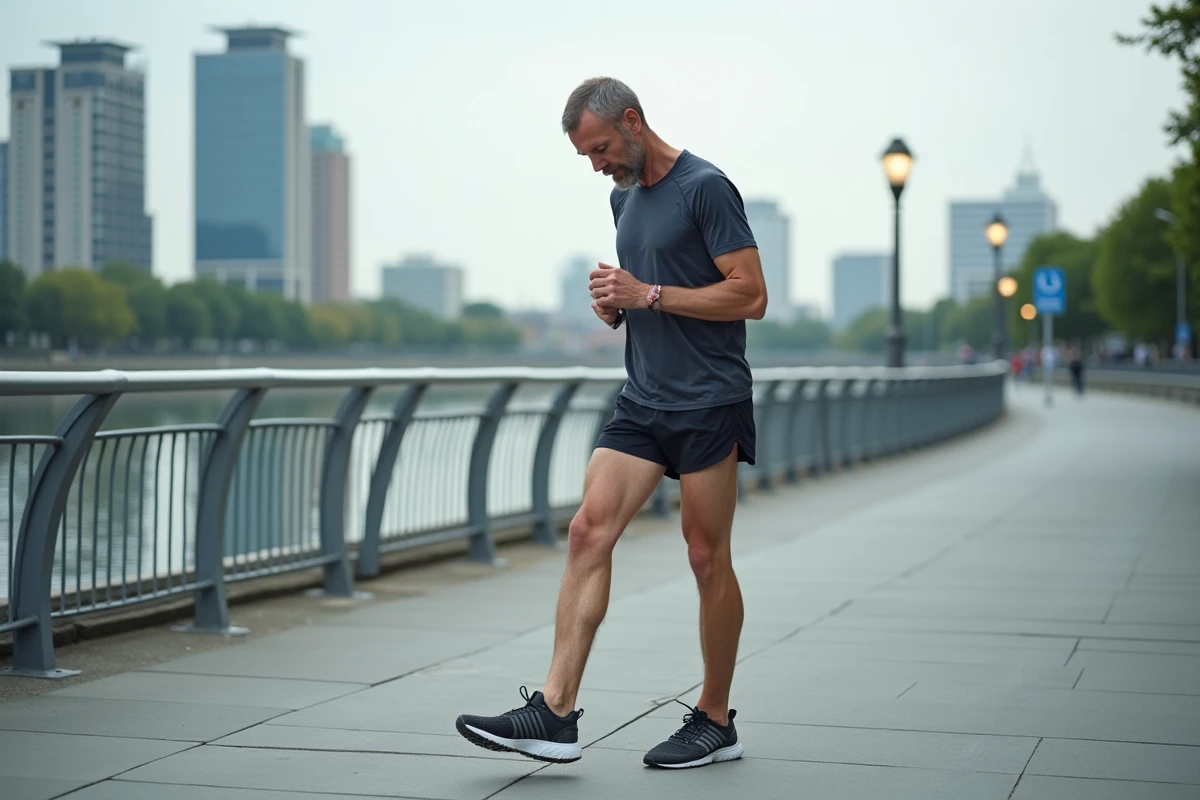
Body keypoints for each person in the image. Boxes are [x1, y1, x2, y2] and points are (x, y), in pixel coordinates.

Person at [455, 76, 767, 770]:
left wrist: (647, 294)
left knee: (706, 556)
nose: (597, 165)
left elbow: (750, 295)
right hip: (643, 398)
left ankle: (717, 719)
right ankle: (554, 711)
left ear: (631, 121)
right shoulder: (622, 196)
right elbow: (651, 290)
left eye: (600, 149)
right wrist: (618, 305)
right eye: (587, 156)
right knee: (586, 531)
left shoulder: (706, 188)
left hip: (708, 399)